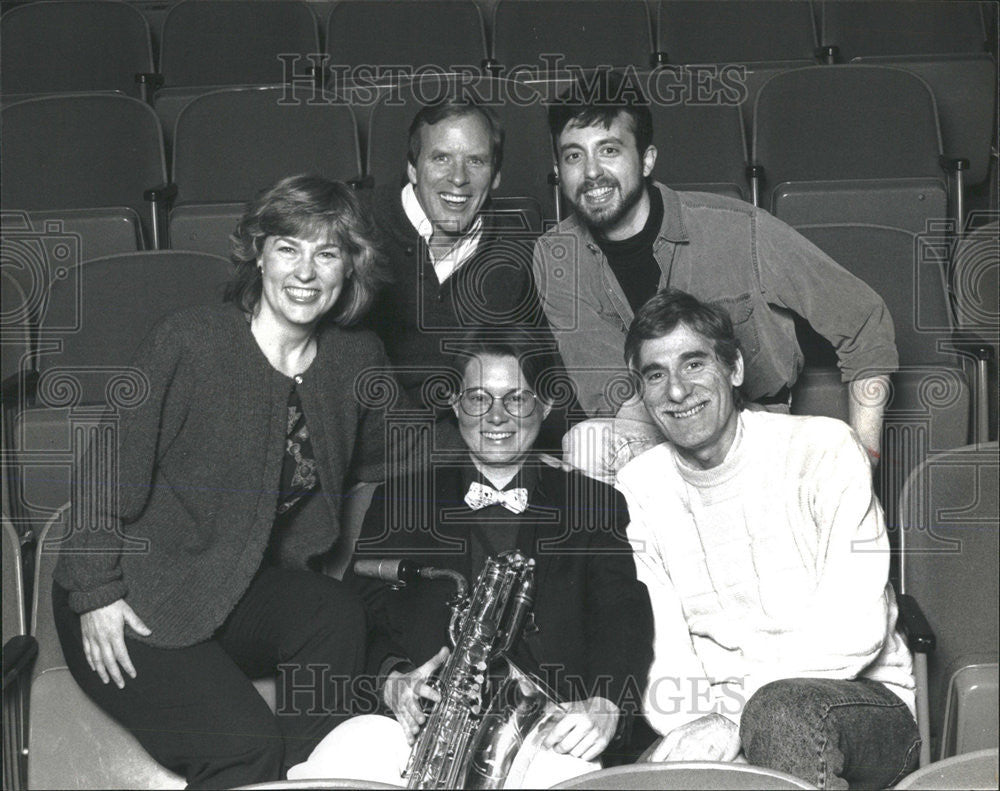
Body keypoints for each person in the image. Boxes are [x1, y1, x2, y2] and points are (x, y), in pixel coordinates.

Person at [52, 175, 401, 788]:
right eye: (289, 247)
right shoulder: (191, 340)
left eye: (328, 252)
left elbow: (385, 460)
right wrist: (95, 593)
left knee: (335, 613)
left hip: (236, 587)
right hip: (131, 591)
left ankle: (312, 777)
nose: (306, 271)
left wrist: (516, 442)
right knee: (242, 749)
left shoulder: (356, 358)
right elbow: (102, 475)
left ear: (351, 267)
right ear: (259, 253)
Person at [288, 329, 654, 785]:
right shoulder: (402, 500)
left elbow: (623, 613)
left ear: (545, 405)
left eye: (516, 400)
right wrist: (392, 679)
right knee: (340, 761)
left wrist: (606, 701)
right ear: (456, 406)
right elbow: (360, 612)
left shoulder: (593, 504)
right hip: (418, 728)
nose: (496, 417)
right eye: (478, 398)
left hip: (546, 732)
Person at [615, 289, 919, 789]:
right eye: (655, 374)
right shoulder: (639, 487)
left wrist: (734, 717)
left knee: (780, 714)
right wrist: (697, 732)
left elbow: (853, 628)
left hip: (860, 699)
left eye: (694, 364)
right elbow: (663, 643)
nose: (676, 391)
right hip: (713, 715)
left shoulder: (823, 449)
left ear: (733, 369)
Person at [533, 72, 898, 481]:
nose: (592, 172)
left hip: (749, 430)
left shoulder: (740, 230)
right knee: (584, 445)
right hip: (649, 430)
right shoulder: (556, 254)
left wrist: (865, 454)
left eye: (609, 150)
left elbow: (864, 319)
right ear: (558, 169)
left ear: (647, 159)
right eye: (574, 156)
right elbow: (609, 389)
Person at [364, 98, 546, 423]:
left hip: (470, 447)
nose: (458, 177)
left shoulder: (518, 252)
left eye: (476, 161)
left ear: (496, 177)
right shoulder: (355, 229)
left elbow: (536, 372)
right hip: (374, 449)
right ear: (412, 168)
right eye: (441, 158)